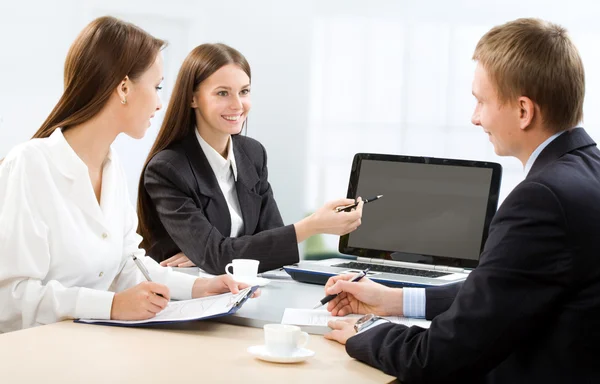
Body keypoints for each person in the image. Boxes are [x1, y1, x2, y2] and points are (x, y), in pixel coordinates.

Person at [322, 18, 600, 383]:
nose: (474, 118)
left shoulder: (541, 199)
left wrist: (366, 334)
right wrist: (393, 300)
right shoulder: (587, 171)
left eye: (481, 102)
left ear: (523, 111)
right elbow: (502, 291)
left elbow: (440, 357)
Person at [0, 17, 256, 334]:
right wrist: (111, 305)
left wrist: (201, 287)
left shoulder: (112, 167)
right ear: (124, 88)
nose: (161, 103)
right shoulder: (30, 164)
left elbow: (127, 264)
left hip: (96, 345)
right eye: (157, 86)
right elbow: (11, 297)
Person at [136, 43, 363, 274]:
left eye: (244, 91)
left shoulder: (252, 154)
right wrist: (312, 226)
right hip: (184, 298)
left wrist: (209, 254)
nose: (238, 105)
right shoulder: (168, 169)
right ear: (193, 98)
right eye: (222, 93)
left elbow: (271, 239)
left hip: (245, 291)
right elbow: (219, 256)